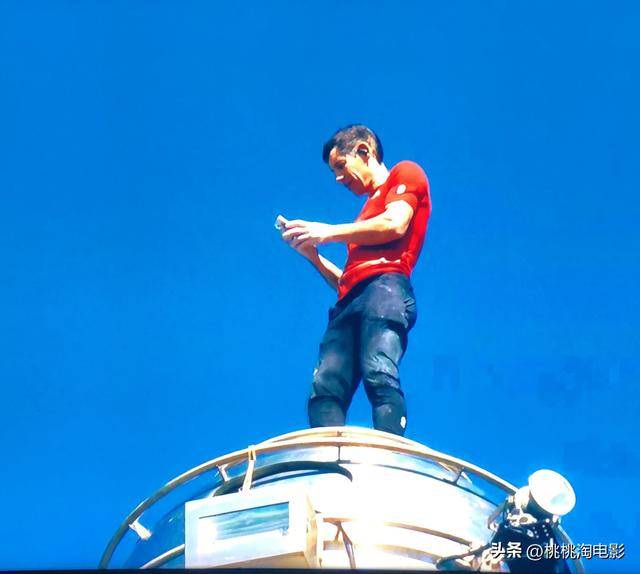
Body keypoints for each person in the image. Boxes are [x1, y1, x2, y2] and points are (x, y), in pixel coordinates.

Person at [279, 124, 431, 436]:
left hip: (386, 287)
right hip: (351, 300)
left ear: (364, 151)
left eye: (340, 165)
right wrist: (313, 256)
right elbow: (347, 283)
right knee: (326, 384)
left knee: (378, 368)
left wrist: (326, 232)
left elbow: (395, 223)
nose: (338, 178)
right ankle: (326, 455)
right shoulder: (363, 219)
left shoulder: (404, 173)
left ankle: (390, 447)